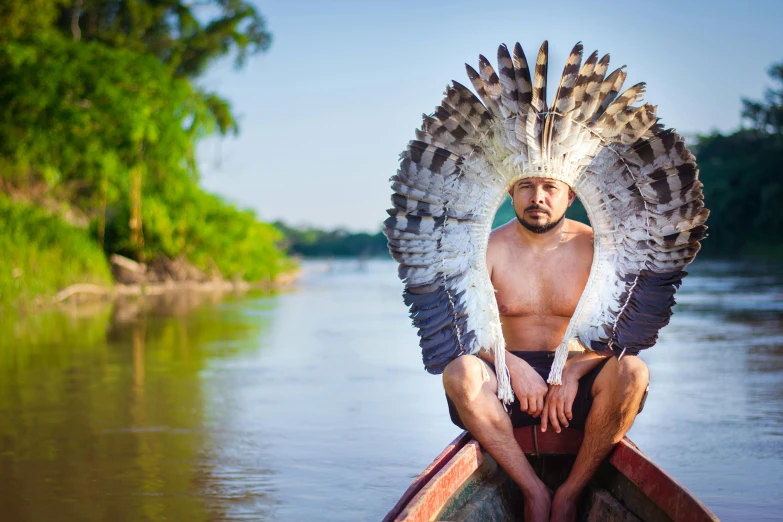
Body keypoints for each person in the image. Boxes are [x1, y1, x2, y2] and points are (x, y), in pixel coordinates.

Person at [442, 177, 650, 522]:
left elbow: (623, 331)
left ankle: (571, 491)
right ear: (510, 193)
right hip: (506, 388)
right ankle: (532, 490)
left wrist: (571, 371)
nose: (537, 198)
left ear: (570, 196)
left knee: (633, 371)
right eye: (526, 186)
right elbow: (463, 328)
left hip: (576, 383)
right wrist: (509, 365)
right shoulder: (487, 248)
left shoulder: (598, 248)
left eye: (550, 188)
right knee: (460, 373)